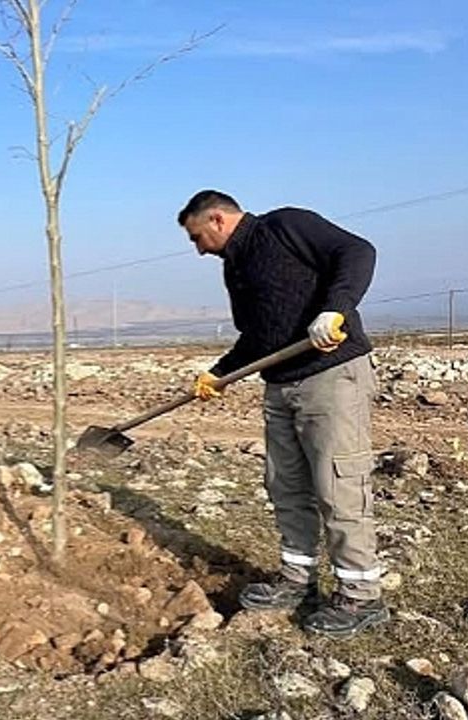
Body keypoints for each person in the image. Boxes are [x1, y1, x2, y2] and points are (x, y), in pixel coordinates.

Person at [177, 189, 384, 638]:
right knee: (285, 484)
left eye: (197, 238)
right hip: (280, 384)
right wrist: (218, 374)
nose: (197, 250)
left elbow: (357, 251)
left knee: (338, 484)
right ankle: (297, 580)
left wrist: (336, 308)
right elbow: (258, 337)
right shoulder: (235, 266)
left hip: (330, 375)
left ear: (216, 219)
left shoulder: (285, 226)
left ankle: (361, 595)